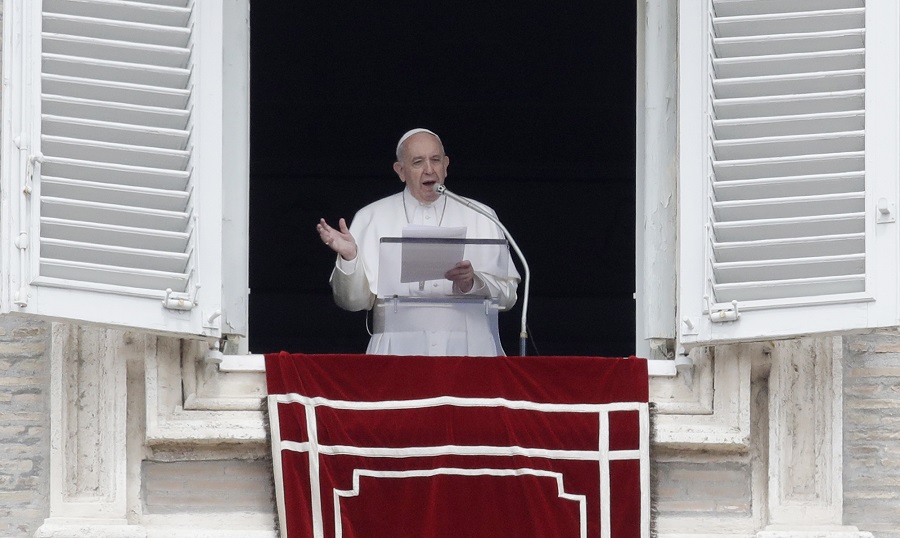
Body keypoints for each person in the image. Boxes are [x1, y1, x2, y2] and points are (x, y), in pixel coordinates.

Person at [316, 128, 520, 356]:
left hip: (471, 351)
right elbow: (352, 302)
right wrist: (350, 257)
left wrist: (472, 282)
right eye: (418, 162)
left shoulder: (482, 215)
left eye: (435, 160)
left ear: (446, 165)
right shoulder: (371, 217)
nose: (429, 170)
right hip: (397, 351)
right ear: (400, 171)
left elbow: (508, 298)